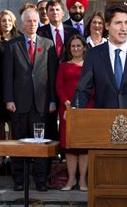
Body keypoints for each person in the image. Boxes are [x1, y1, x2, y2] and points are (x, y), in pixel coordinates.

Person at [3, 7, 58, 192]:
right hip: (18, 103)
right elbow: (7, 76)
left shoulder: (48, 44)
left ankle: (41, 180)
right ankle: (19, 180)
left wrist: (52, 101)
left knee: (40, 145)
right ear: (22, 23)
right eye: (29, 21)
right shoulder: (12, 45)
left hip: (41, 104)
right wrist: (9, 99)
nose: (32, 24)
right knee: (19, 143)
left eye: (35, 21)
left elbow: (52, 76)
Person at [37, 0, 79, 143]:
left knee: (68, 120)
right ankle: (51, 157)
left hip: (67, 83)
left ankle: (65, 153)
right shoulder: (40, 32)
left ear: (62, 13)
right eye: (51, 10)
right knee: (49, 121)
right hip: (46, 83)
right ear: (47, 13)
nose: (54, 12)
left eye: (57, 9)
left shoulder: (72, 31)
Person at [56, 35, 92, 191]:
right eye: (73, 46)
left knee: (83, 147)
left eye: (78, 45)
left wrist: (82, 105)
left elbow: (94, 86)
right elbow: (58, 87)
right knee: (70, 147)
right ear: (69, 49)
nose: (76, 48)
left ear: (84, 47)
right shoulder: (63, 66)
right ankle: (70, 180)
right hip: (67, 109)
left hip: (86, 109)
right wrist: (67, 102)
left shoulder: (90, 66)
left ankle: (82, 181)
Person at [0, 10, 21, 175]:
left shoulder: (19, 41)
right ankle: (0, 159)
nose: (6, 23)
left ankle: (13, 158)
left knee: (13, 125)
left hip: (15, 88)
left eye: (9, 20)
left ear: (14, 22)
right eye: (3, 20)